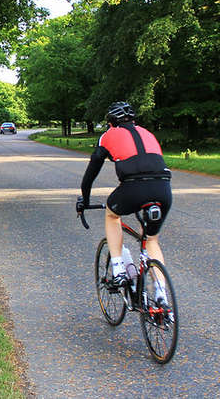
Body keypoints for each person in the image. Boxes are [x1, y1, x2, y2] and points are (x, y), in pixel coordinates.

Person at [77, 101, 172, 302]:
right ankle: (161, 293)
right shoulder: (147, 133)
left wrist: (84, 200)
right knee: (151, 239)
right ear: (134, 120)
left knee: (112, 215)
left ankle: (119, 269)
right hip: (163, 188)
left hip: (133, 187)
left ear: (111, 123)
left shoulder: (108, 135)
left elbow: (90, 175)